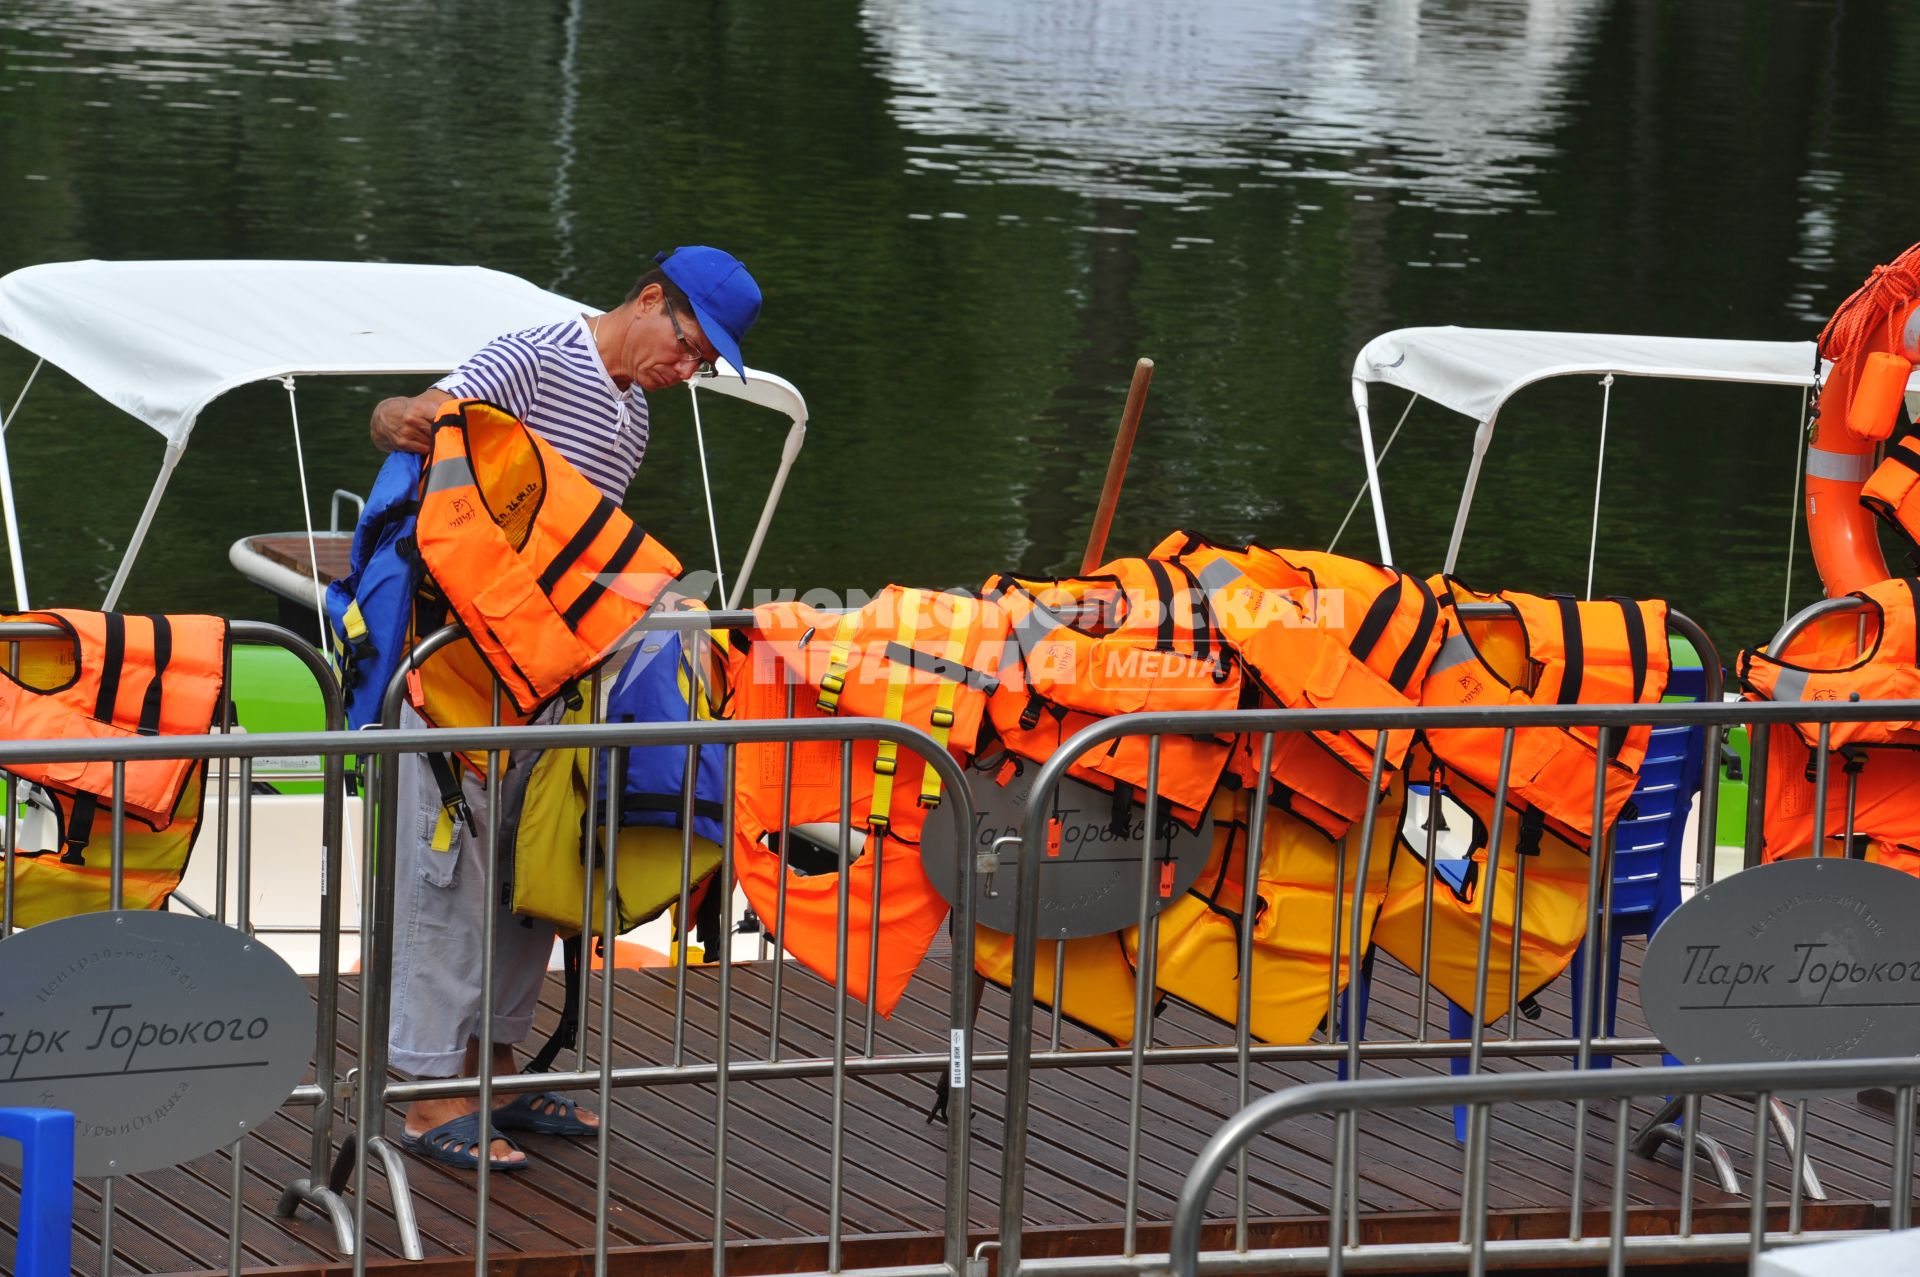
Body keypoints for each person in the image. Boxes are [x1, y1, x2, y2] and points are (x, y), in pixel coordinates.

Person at [369, 246, 762, 1171]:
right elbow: (402, 420)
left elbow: (584, 566)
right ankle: (425, 1097)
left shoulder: (631, 421)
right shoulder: (537, 355)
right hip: (452, 675)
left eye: (704, 365)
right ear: (651, 298)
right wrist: (415, 416)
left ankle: (496, 1071)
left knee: (529, 876)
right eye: (691, 347)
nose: (688, 370)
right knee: (448, 883)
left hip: (544, 678)